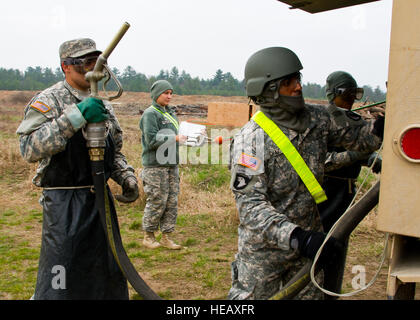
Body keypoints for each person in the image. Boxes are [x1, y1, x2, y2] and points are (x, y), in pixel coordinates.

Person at [228, 47, 384, 300]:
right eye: (288, 82)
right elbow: (251, 206)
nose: (298, 87)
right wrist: (298, 237)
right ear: (268, 90)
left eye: (297, 79)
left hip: (308, 249)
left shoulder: (316, 118)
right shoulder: (251, 139)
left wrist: (383, 127)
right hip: (265, 253)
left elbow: (360, 139)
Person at [16, 38, 139, 300]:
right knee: (61, 273)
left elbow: (114, 152)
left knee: (106, 271)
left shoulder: (103, 105)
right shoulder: (49, 100)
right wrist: (75, 117)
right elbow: (28, 148)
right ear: (66, 67)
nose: (93, 68)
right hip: (65, 206)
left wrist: (126, 176)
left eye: (96, 62)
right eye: (85, 63)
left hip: (100, 203)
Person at [317, 71, 382, 298]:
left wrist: (371, 159)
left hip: (346, 192)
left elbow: (357, 149)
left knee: (338, 243)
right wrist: (356, 155)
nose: (351, 99)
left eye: (355, 94)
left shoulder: (351, 122)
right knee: (321, 245)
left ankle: (330, 292)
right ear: (332, 94)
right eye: (346, 94)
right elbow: (323, 162)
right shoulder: (321, 122)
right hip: (324, 192)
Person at [139, 80, 187, 250]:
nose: (169, 96)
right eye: (165, 93)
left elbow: (175, 137)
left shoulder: (171, 113)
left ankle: (167, 236)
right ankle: (148, 235)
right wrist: (174, 138)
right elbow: (151, 140)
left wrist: (189, 138)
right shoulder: (150, 114)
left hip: (171, 164)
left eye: (170, 93)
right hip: (155, 165)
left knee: (171, 201)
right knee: (158, 200)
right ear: (156, 94)